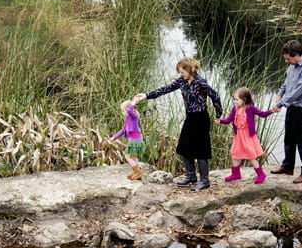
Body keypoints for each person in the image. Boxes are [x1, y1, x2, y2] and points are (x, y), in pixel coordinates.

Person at [133, 57, 223, 191]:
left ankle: (205, 180)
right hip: (190, 117)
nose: (180, 74)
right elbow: (165, 89)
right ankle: (191, 175)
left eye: (182, 72)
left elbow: (215, 96)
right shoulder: (182, 81)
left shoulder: (201, 83)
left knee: (201, 149)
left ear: (190, 69)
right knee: (184, 146)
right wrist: (146, 95)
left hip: (201, 118)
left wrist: (218, 114)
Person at [270, 39, 302, 184]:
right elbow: (286, 83)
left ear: (296, 55)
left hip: (301, 110)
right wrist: (279, 94)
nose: (286, 61)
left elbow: (297, 92)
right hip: (291, 108)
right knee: (289, 139)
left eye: (288, 58)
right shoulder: (292, 66)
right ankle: (288, 167)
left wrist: (280, 104)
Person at [215, 86, 277, 184]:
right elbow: (229, 120)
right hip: (238, 136)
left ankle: (261, 174)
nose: (235, 101)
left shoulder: (250, 108)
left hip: (247, 136)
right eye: (234, 99)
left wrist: (271, 111)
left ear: (244, 99)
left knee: (251, 156)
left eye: (237, 100)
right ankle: (236, 174)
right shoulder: (235, 109)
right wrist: (220, 121)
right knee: (235, 154)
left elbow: (262, 114)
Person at [109, 99, 144, 180]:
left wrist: (133, 102)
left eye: (123, 111)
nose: (122, 113)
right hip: (134, 139)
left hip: (135, 139)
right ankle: (138, 172)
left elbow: (129, 110)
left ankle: (137, 172)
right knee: (133, 156)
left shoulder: (133, 116)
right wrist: (113, 138)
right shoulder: (127, 120)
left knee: (127, 156)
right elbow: (122, 131)